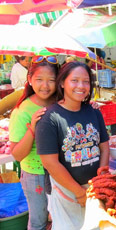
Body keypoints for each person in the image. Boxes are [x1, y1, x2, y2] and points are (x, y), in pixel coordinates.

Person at [35, 62, 109, 230]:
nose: (81, 86)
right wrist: (78, 192)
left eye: (86, 81)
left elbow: (104, 147)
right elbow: (50, 163)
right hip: (66, 191)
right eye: (74, 80)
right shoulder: (49, 118)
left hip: (94, 187)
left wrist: (101, 181)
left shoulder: (94, 111)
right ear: (62, 83)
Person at [9, 55, 59, 230]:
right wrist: (32, 129)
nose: (45, 86)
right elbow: (16, 154)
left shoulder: (60, 104)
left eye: (51, 80)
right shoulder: (21, 111)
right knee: (39, 221)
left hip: (60, 172)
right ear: (29, 79)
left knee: (58, 220)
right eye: (39, 79)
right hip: (35, 175)